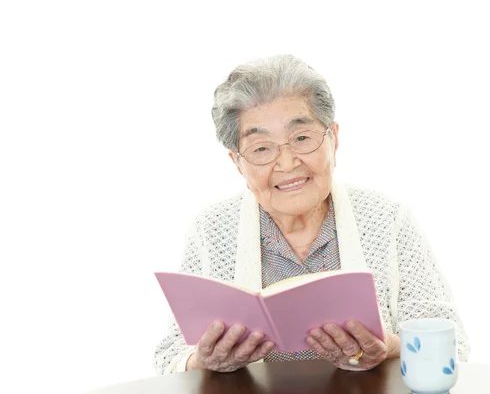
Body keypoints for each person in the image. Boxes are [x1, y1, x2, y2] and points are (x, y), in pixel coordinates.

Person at [153, 54, 470, 374]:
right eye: (262, 148)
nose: (287, 163)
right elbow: (169, 355)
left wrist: (389, 349)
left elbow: (452, 346)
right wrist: (203, 361)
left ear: (333, 138)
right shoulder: (212, 229)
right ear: (238, 163)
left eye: (301, 138)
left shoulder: (387, 219)